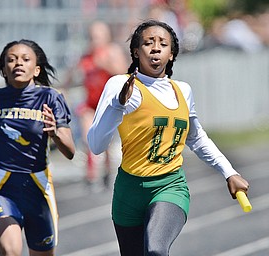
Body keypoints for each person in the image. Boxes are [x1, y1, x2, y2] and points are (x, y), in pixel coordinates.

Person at [87, 20, 250, 256]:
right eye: (148, 43)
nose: (155, 48)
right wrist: (117, 106)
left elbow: (196, 138)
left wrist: (229, 172)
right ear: (135, 51)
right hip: (128, 191)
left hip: (169, 186)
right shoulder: (120, 85)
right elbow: (95, 145)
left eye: (163, 44)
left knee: (155, 249)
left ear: (171, 54)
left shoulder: (183, 90)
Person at [0, 39, 75, 256]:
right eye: (11, 59)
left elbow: (70, 152)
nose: (18, 63)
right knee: (10, 252)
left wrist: (54, 132)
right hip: (2, 187)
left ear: (36, 69)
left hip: (38, 188)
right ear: (3, 70)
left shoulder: (50, 98)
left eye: (25, 59)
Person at [63, 20, 127, 188]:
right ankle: (90, 173)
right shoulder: (86, 55)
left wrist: (105, 64)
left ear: (106, 36)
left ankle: (106, 168)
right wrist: (63, 88)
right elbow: (70, 75)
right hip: (90, 103)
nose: (95, 40)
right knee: (88, 135)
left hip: (108, 103)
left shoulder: (112, 52)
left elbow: (124, 74)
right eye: (92, 37)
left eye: (98, 36)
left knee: (104, 139)